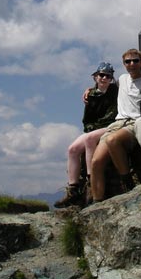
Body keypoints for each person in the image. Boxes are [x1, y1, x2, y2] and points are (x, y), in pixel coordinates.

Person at [90, 48, 141, 202]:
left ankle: (127, 182)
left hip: (135, 123)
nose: (132, 64)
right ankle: (96, 201)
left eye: (135, 60)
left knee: (112, 140)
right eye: (127, 61)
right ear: (124, 64)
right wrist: (89, 90)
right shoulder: (122, 79)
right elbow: (103, 87)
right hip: (117, 123)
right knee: (96, 162)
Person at [54, 62, 117, 208]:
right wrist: (91, 127)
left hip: (109, 126)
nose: (104, 78)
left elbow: (112, 115)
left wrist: (94, 128)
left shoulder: (115, 91)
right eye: (101, 75)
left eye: (108, 76)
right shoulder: (91, 95)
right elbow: (87, 119)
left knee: (90, 139)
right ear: (95, 77)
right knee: (72, 149)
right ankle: (73, 190)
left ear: (111, 78)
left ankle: (91, 182)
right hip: (93, 128)